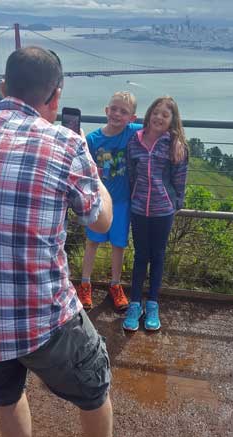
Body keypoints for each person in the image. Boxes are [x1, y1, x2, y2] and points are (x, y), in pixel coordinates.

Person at [0, 46, 136, 437]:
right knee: (94, 385)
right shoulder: (65, 142)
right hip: (46, 317)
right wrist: (97, 180)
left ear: (3, 88)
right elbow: (100, 222)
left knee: (5, 395)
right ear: (56, 97)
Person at [123, 96, 188, 332]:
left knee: (158, 256)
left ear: (172, 121)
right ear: (149, 114)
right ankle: (134, 304)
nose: (159, 117)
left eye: (165, 114)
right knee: (141, 256)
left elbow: (180, 178)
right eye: (156, 112)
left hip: (163, 210)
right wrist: (134, 198)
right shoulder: (135, 141)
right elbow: (131, 172)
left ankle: (152, 304)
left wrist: (175, 203)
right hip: (139, 208)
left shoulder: (174, 144)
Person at [77, 92, 142, 311]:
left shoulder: (132, 132)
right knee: (92, 242)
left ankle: (115, 285)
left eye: (123, 112)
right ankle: (85, 283)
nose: (117, 114)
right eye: (114, 109)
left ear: (132, 118)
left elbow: (155, 127)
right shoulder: (93, 139)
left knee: (119, 245)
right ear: (106, 110)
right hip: (99, 200)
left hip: (123, 202)